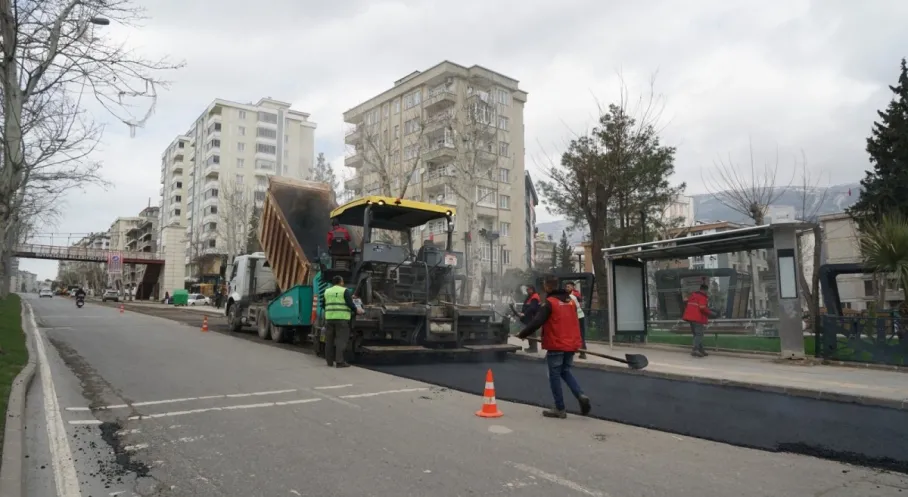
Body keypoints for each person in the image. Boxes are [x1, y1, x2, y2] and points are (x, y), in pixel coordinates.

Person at [517, 275, 592, 419]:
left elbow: (537, 322)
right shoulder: (570, 301)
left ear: (547, 286)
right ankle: (580, 394)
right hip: (570, 344)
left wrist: (522, 334)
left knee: (554, 375)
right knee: (565, 371)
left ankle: (559, 408)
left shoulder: (550, 303)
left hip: (556, 344)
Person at [323, 275, 363, 368]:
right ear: (341, 282)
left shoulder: (327, 291)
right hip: (342, 319)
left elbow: (323, 304)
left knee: (329, 341)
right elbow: (350, 304)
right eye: (342, 281)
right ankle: (339, 362)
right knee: (341, 341)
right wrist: (357, 310)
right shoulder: (344, 291)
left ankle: (329, 362)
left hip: (329, 319)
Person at [682, 284, 715, 358]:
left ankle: (701, 350)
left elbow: (685, 301)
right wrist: (711, 313)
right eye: (707, 291)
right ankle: (695, 349)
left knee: (696, 334)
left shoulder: (692, 295)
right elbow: (702, 308)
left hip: (690, 317)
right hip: (697, 318)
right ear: (705, 290)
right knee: (699, 334)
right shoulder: (702, 297)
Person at [565, 282, 586, 359]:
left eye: (568, 286)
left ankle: (582, 352)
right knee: (578, 334)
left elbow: (572, 307)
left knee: (579, 334)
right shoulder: (572, 295)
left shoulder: (572, 296)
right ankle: (579, 350)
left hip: (578, 317)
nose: (567, 288)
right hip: (578, 316)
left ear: (573, 287)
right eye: (566, 287)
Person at [518, 285, 542, 353]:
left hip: (532, 318)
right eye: (527, 290)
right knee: (530, 332)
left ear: (532, 290)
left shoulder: (534, 297)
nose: (527, 291)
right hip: (529, 318)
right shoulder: (530, 296)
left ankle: (533, 348)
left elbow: (532, 308)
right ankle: (531, 347)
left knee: (531, 333)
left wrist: (524, 313)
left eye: (528, 290)